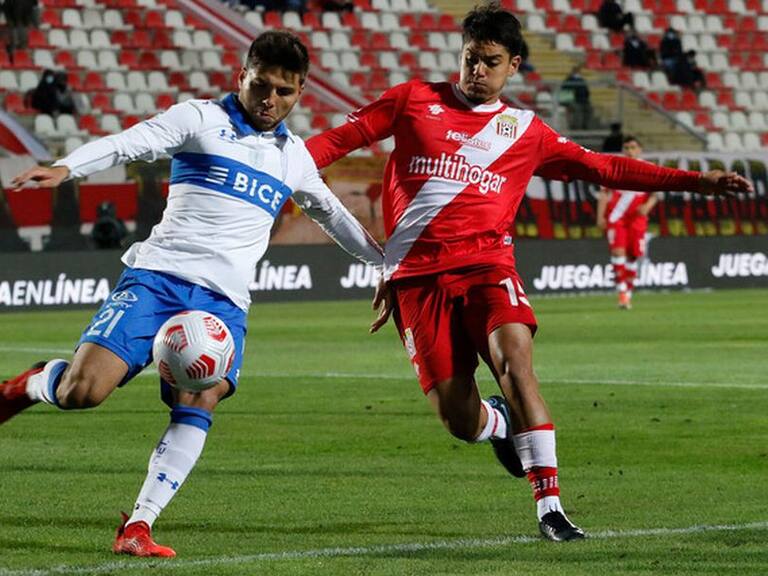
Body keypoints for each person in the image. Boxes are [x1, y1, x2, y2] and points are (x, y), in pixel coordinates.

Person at [306, 2, 753, 542]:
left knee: (516, 364)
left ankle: (550, 508)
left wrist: (696, 183)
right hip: (419, 280)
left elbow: (606, 168)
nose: (477, 71)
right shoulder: (411, 100)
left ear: (513, 65)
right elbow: (333, 144)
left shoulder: (525, 131)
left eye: (490, 62)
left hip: (488, 266)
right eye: (470, 58)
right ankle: (496, 423)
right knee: (458, 419)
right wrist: (274, 166)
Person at [0, 31, 382, 558]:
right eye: (261, 85)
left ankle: (138, 524)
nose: (270, 99)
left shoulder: (293, 157)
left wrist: (387, 265)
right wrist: (69, 168)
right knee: (81, 393)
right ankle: (30, 384)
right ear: (241, 76)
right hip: (158, 279)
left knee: (201, 397)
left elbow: (332, 214)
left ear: (300, 93)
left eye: (284, 92)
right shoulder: (199, 119)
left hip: (223, 303)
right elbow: (128, 142)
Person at [596, 136, 658, 309]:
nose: (630, 151)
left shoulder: (649, 169)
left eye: (633, 147)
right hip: (617, 217)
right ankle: (622, 293)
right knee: (618, 253)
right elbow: (604, 194)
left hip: (638, 219)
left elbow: (655, 194)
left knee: (633, 256)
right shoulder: (615, 167)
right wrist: (600, 216)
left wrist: (647, 206)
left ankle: (628, 294)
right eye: (627, 148)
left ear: (640, 150)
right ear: (623, 150)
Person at [561, 65, 592, 130]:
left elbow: (586, 91)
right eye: (576, 72)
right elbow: (565, 89)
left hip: (583, 100)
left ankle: (585, 126)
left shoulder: (582, 80)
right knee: (578, 110)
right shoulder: (569, 80)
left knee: (589, 109)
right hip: (574, 101)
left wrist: (586, 99)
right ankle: (576, 128)